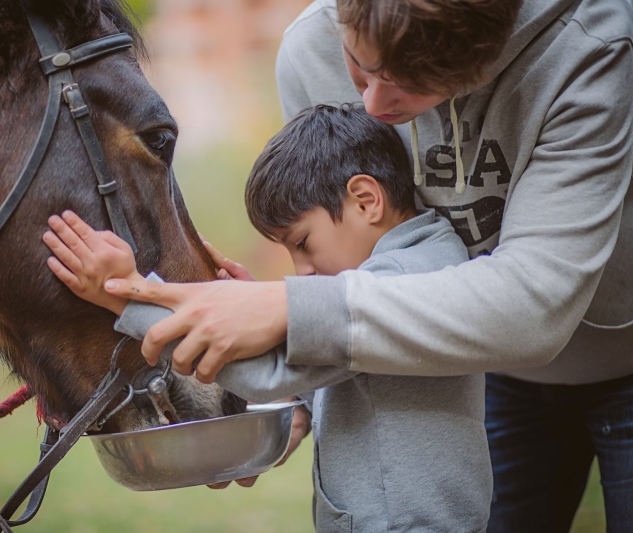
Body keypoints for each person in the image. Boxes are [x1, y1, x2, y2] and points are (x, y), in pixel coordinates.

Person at [79, 1, 633, 531]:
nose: (371, 105)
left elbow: (523, 307)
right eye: (362, 69)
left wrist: (129, 300)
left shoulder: (591, 46)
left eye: (415, 82)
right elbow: (333, 316)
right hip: (484, 370)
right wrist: (286, 371)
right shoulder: (312, 49)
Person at [42, 104, 492, 532]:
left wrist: (125, 300)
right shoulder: (429, 256)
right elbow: (353, 372)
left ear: (365, 200)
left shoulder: (402, 282)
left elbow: (268, 376)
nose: (303, 271)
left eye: (302, 242)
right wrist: (260, 309)